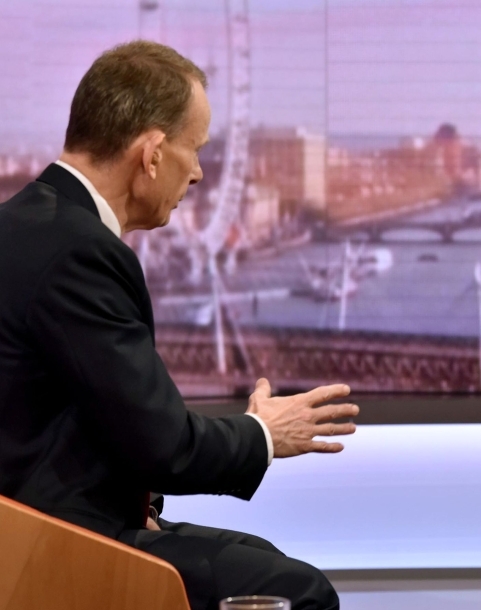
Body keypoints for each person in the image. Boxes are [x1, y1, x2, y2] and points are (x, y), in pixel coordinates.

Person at [0, 41, 353, 610]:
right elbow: (161, 443)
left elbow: (88, 418)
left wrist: (144, 505)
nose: (199, 173)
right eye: (195, 149)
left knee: (262, 560)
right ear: (153, 153)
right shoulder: (79, 253)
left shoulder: (29, 223)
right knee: (298, 592)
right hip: (53, 546)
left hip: (36, 528)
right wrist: (265, 434)